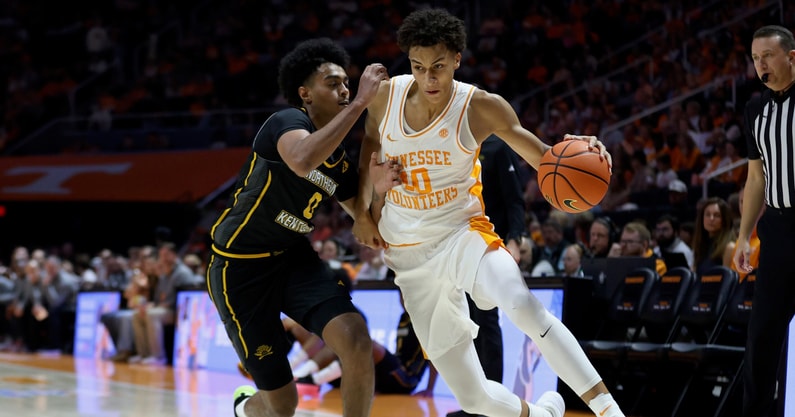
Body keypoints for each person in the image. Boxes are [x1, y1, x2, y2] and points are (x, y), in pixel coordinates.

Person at [354, 9, 625, 417]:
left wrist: (578, 152)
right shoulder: (384, 97)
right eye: (418, 67)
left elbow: (545, 158)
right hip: (408, 253)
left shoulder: (479, 106)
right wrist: (364, 211)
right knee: (472, 397)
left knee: (521, 304)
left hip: (462, 233)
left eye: (439, 67)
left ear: (458, 59)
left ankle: (608, 411)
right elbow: (369, 151)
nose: (428, 79)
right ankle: (542, 414)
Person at [204, 38, 396, 417]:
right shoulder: (287, 122)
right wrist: (360, 102)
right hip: (238, 267)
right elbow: (303, 159)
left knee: (356, 337)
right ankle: (246, 407)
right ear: (305, 93)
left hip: (292, 260)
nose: (344, 90)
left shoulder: (337, 159)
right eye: (333, 83)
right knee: (283, 406)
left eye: (347, 83)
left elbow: (362, 217)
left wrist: (377, 188)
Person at [734, 24, 795, 417]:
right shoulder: (755, 109)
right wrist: (743, 236)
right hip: (777, 229)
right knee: (761, 336)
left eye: (768, 56)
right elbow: (756, 177)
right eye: (756, 59)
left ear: (791, 56)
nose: (761, 65)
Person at [447, 134, 526, 417]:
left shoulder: (496, 146)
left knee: (487, 320)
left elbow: (514, 198)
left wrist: (516, 238)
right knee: (464, 324)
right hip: (456, 245)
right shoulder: (450, 144)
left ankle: (494, 405)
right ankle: (475, 402)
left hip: (490, 244)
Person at [691, 196, 735, 275]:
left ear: (724, 220)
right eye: (707, 214)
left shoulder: (729, 247)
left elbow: (727, 282)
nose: (711, 218)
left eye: (717, 215)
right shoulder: (700, 246)